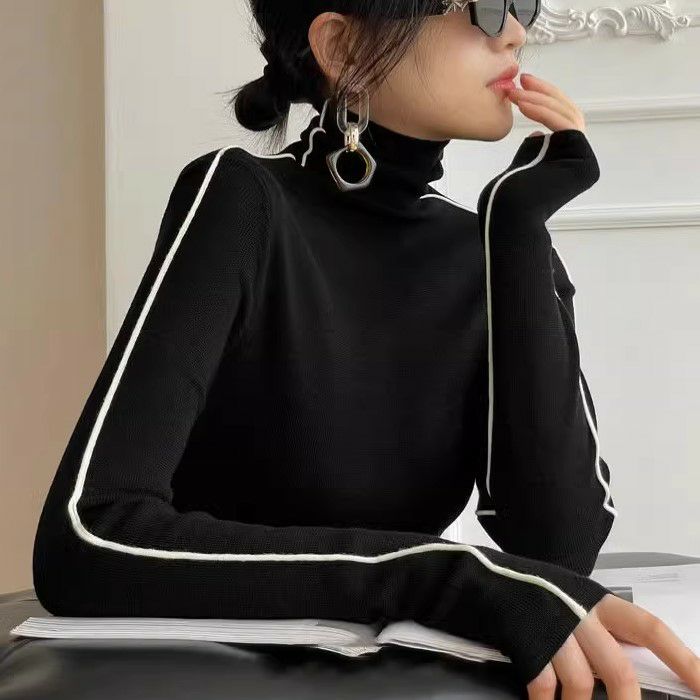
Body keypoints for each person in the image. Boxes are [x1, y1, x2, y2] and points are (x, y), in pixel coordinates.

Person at [32, 0, 700, 697]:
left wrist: (518, 231)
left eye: (521, 3)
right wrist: (441, 575)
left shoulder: (488, 247)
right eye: (481, 6)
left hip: (386, 680)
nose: (514, 31)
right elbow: (88, 535)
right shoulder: (243, 200)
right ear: (344, 47)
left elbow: (558, 553)